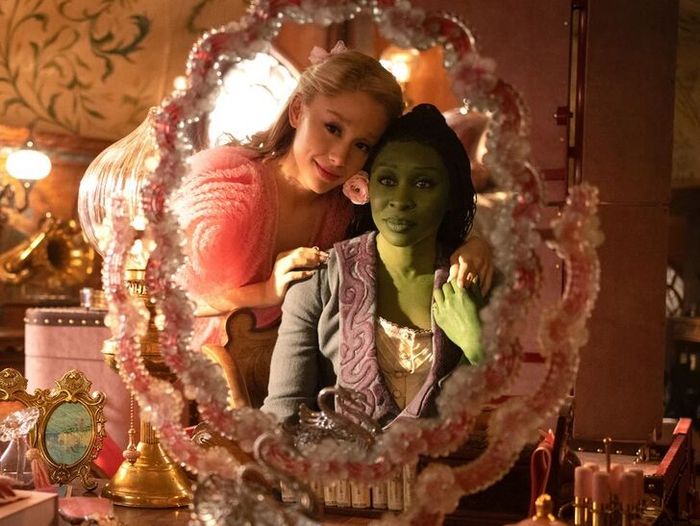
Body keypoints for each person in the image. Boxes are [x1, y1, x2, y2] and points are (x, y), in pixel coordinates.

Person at [175, 43, 492, 347]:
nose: (340, 157)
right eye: (333, 128)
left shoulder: (350, 205)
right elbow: (171, 297)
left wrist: (474, 246)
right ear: (297, 110)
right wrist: (265, 291)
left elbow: (424, 234)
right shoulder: (228, 188)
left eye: (362, 145)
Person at [262, 104, 483, 427]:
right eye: (387, 180)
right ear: (365, 187)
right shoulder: (318, 281)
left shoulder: (474, 279)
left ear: (451, 194)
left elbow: (502, 419)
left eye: (423, 184)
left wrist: (478, 348)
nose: (401, 200)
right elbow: (283, 416)